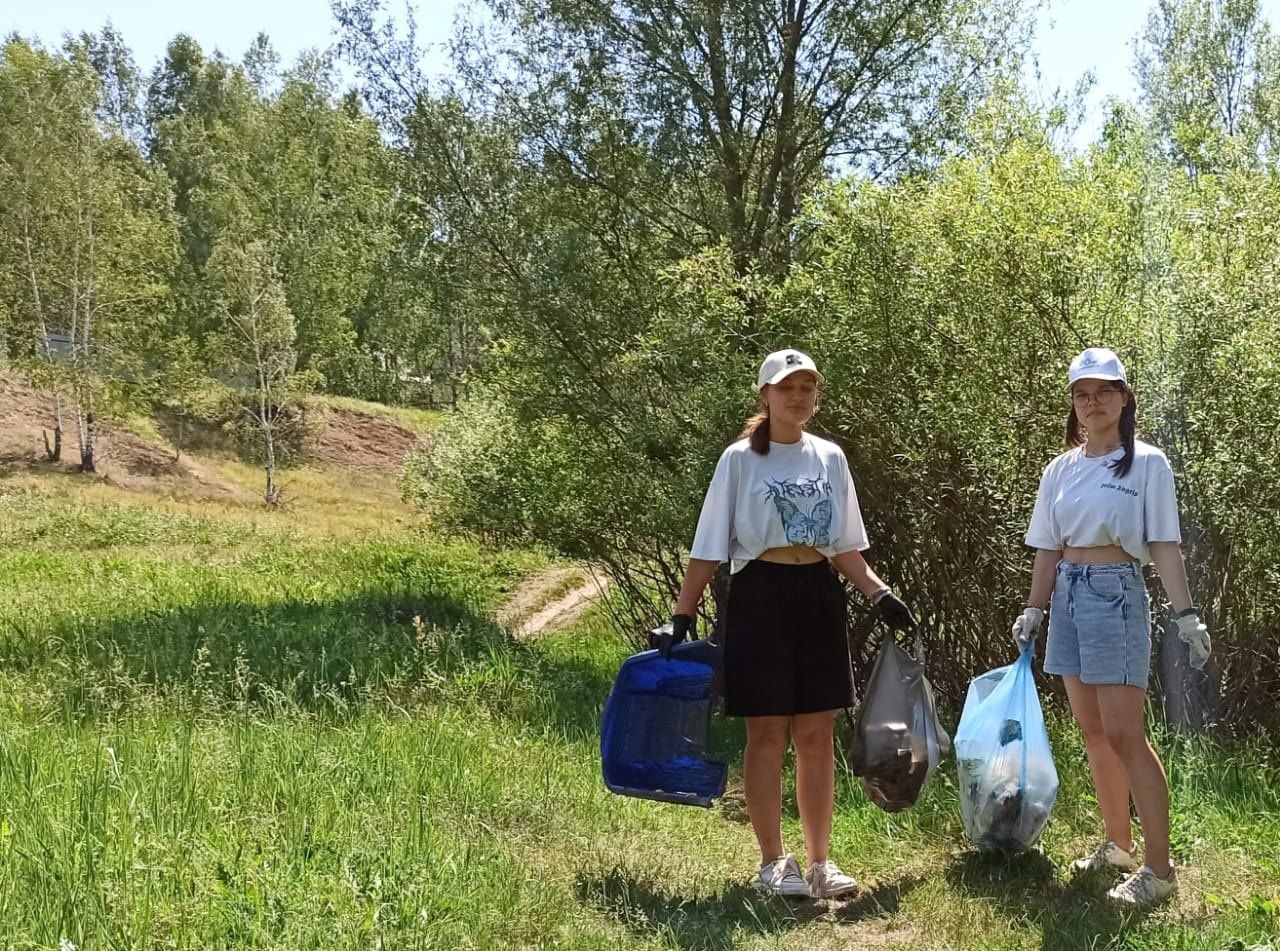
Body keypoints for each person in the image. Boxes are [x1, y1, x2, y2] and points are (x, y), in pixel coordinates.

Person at [663, 348, 918, 899]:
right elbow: (708, 547)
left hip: (818, 596)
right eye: (787, 388)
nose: (798, 397)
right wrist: (682, 615)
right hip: (759, 595)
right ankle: (775, 863)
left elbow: (845, 546)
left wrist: (879, 594)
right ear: (766, 396)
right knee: (768, 732)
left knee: (815, 734)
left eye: (807, 388)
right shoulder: (739, 461)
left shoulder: (829, 457)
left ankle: (822, 864)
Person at [1012, 347, 1211, 907]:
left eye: (1104, 391)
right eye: (1082, 393)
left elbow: (1164, 544)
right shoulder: (1061, 467)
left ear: (1124, 398)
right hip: (1070, 596)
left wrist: (1186, 614)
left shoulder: (1147, 462)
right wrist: (1034, 607)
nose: (1092, 402)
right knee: (1094, 729)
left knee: (1126, 734)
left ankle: (1159, 868)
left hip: (1116, 593)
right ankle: (1119, 844)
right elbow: (1049, 546)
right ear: (1072, 404)